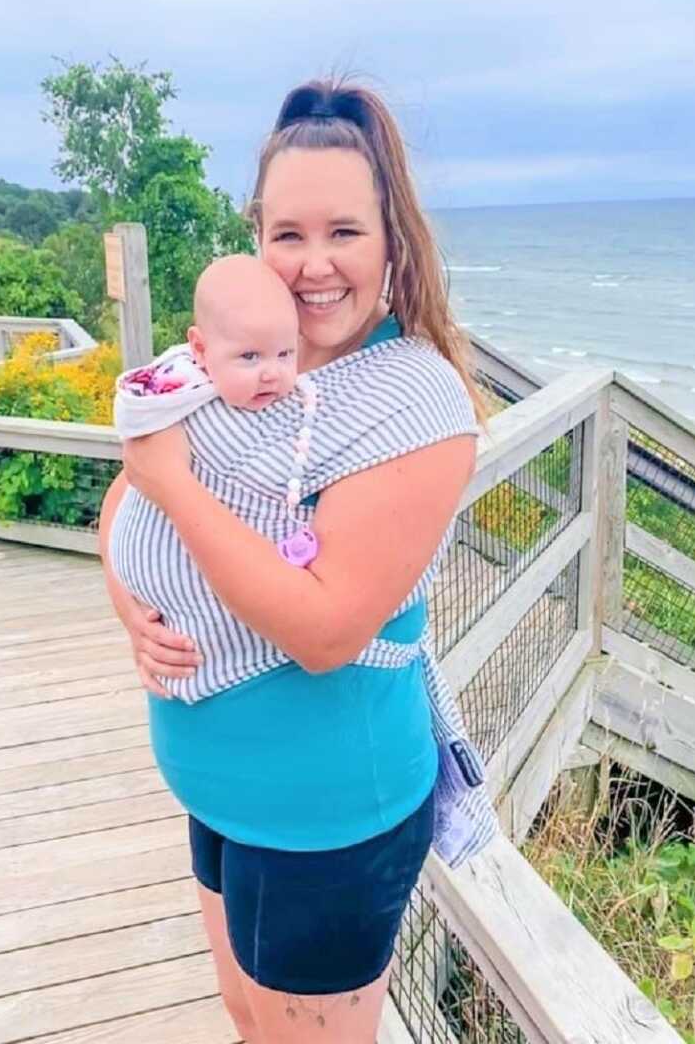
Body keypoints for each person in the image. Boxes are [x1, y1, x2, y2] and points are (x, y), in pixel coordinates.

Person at [99, 78, 497, 1044]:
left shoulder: (415, 403)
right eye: (288, 234)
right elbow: (123, 505)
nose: (314, 265)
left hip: (325, 817)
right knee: (246, 1015)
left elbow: (323, 631)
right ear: (256, 238)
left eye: (344, 233)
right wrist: (132, 614)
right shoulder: (244, 359)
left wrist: (170, 480)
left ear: (393, 239)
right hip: (216, 788)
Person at [113, 254, 300, 439]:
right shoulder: (173, 405)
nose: (272, 375)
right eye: (250, 356)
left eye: (284, 353)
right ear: (200, 350)